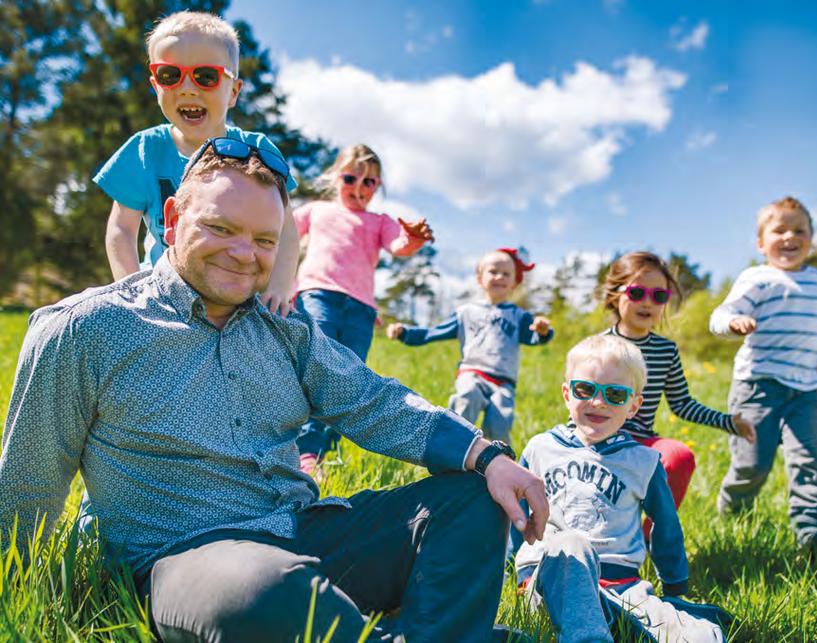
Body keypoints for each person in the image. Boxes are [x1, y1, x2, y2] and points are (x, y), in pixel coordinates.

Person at [0, 141, 549, 642]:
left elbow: (376, 402)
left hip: (308, 534)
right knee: (260, 592)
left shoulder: (286, 331)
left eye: (264, 240)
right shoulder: (85, 330)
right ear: (170, 220)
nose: (245, 253)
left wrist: (487, 455)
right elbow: (27, 486)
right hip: (191, 559)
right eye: (221, 228)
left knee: (476, 497)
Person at [512, 335, 724, 643]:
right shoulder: (540, 448)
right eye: (586, 389)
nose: (599, 402)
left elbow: (666, 527)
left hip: (622, 585)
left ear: (634, 405)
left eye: (615, 394)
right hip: (551, 577)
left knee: (704, 635)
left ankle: (616, 615)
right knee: (571, 543)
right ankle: (594, 634)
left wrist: (675, 589)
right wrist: (503, 566)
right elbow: (515, 513)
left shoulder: (643, 461)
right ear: (567, 394)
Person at [94, 10, 299, 315]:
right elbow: (122, 229)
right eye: (170, 75)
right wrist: (133, 289)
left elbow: (285, 229)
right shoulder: (145, 150)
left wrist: (279, 288)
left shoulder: (257, 151)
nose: (187, 88)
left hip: (238, 294)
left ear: (233, 91)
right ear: (155, 85)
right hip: (165, 296)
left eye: (206, 77)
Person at [709, 196, 817, 555]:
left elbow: (814, 324)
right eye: (779, 230)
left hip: (805, 390)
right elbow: (721, 313)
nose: (789, 237)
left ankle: (810, 533)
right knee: (753, 464)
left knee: (807, 461)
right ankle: (734, 509)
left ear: (811, 238)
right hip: (758, 386)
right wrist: (733, 323)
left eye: (799, 230)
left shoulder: (816, 281)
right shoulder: (757, 277)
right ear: (760, 242)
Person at [293, 144, 434, 471]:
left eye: (369, 182)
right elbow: (279, 228)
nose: (359, 187)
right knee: (319, 365)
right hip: (318, 294)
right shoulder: (316, 211)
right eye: (350, 177)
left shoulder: (378, 221)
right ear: (335, 177)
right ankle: (306, 451)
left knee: (347, 378)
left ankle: (327, 453)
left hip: (360, 309)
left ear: (378, 187)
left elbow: (398, 245)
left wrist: (412, 240)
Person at [598, 251, 754, 535]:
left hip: (641, 439)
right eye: (637, 292)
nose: (647, 302)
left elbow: (682, 404)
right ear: (614, 295)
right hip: (598, 438)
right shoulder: (599, 346)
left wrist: (729, 422)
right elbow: (580, 399)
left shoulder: (665, 351)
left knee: (679, 456)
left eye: (659, 296)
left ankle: (645, 539)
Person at [386, 248, 554, 444]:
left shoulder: (519, 316)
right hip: (473, 373)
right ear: (479, 278)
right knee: (467, 398)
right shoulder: (465, 312)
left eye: (506, 274)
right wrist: (404, 333)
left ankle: (493, 466)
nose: (499, 276)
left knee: (499, 425)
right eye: (493, 271)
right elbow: (432, 332)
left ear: (515, 282)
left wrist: (543, 331)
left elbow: (535, 336)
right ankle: (451, 449)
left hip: (504, 382)